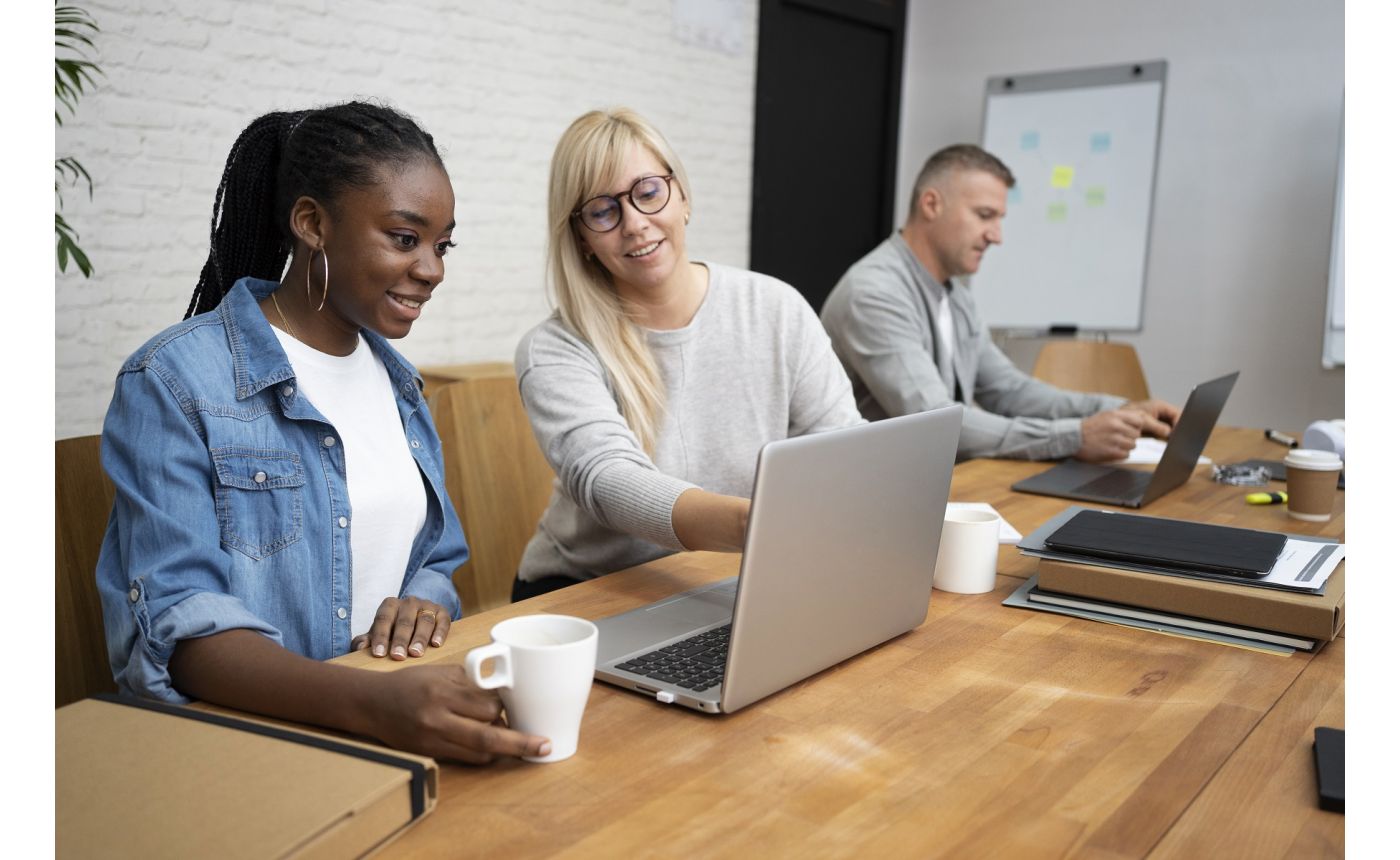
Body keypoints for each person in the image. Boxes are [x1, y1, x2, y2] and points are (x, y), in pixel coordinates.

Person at [95, 102, 549, 764]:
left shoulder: (400, 385)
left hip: (389, 726)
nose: (433, 269)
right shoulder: (173, 380)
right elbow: (180, 631)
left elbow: (435, 555)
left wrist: (422, 601)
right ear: (312, 223)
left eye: (441, 245)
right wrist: (372, 706)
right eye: (404, 238)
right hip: (245, 752)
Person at [512, 108, 863, 598]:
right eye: (602, 211)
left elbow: (844, 447)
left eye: (648, 192)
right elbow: (611, 482)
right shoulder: (554, 349)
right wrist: (757, 523)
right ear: (583, 239)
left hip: (732, 574)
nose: (635, 223)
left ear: (683, 197)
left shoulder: (775, 307)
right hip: (587, 590)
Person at [820, 144, 1180, 462]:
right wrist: (1074, 437)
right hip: (874, 497)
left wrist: (1119, 410)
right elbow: (937, 423)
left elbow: (1010, 391)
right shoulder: (874, 293)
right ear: (931, 204)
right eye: (984, 215)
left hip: (925, 484)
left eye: (999, 219)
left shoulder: (954, 295)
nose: (996, 236)